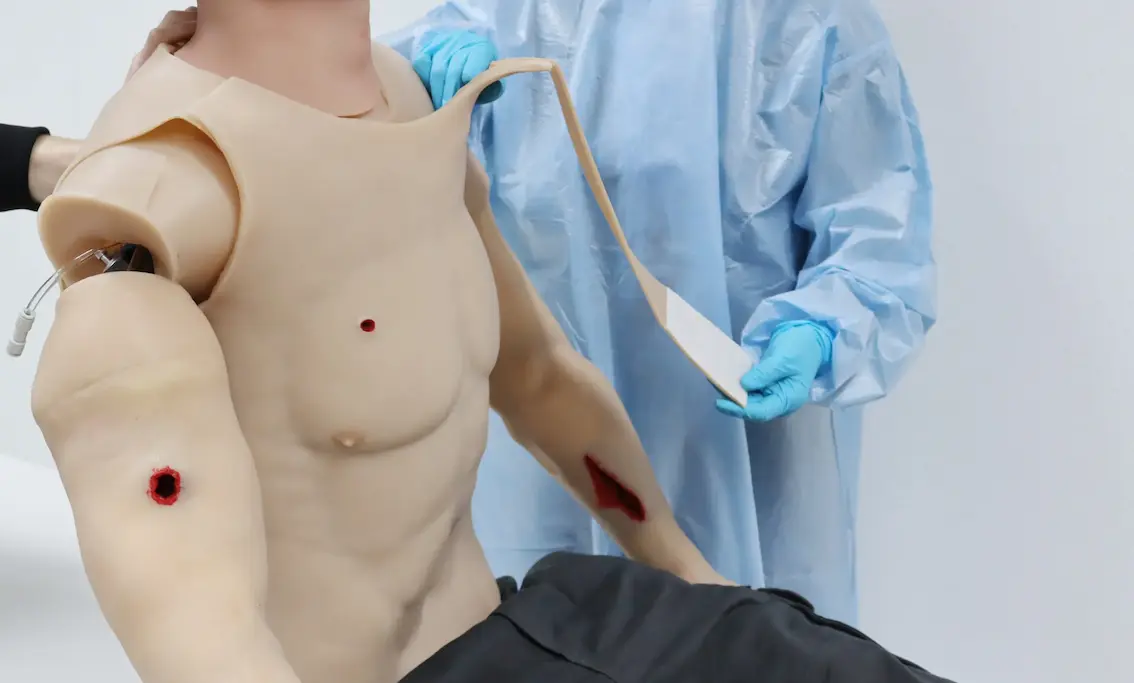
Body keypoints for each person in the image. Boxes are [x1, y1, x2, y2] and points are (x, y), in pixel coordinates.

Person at [2, 0, 935, 625]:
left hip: (718, 461)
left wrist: (825, 332)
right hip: (480, 570)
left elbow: (542, 376)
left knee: (751, 636)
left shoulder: (803, 25)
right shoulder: (474, 32)